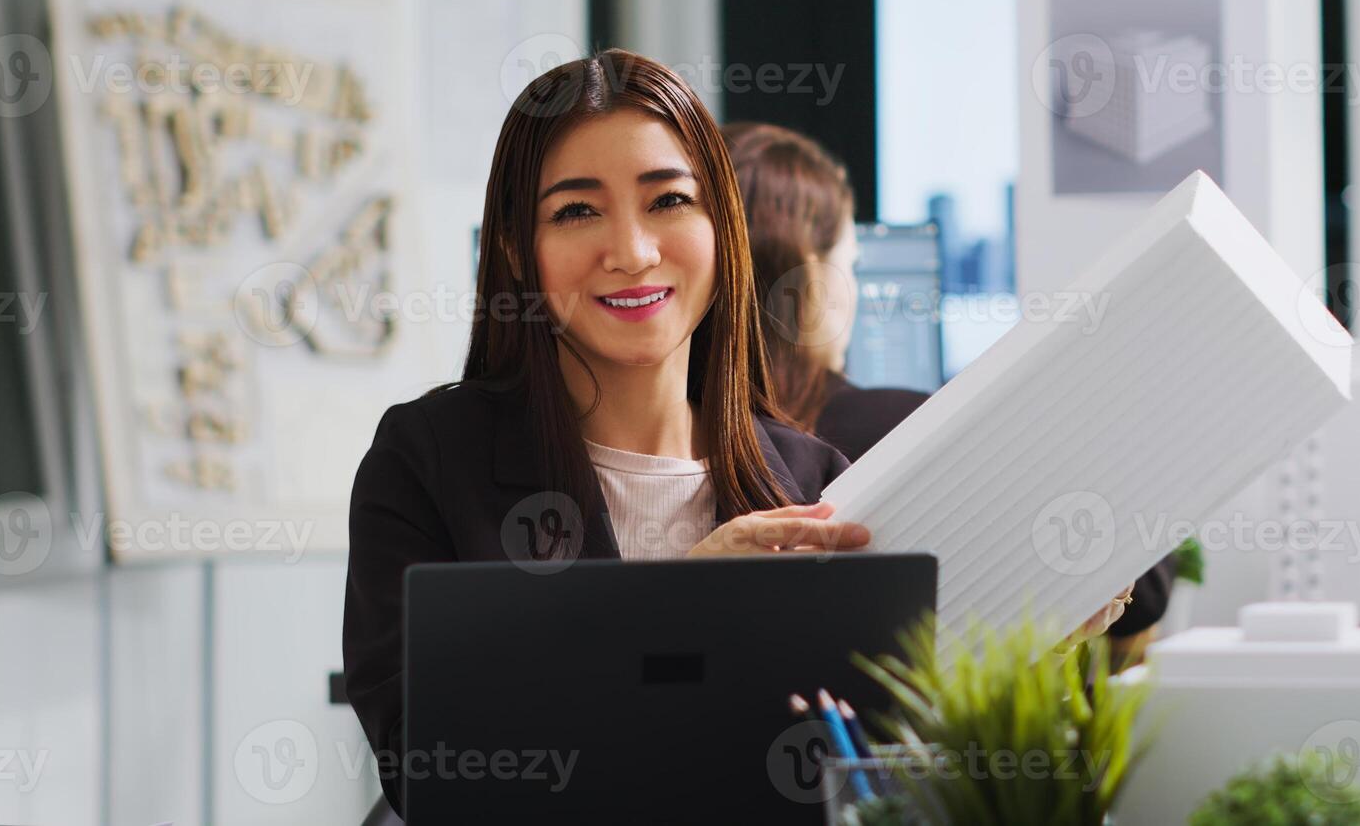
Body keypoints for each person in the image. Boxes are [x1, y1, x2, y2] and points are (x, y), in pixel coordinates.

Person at [343, 52, 871, 816]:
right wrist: (675, 609)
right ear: (520, 251)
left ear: (722, 227)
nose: (631, 251)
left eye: (668, 201)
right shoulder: (428, 460)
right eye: (577, 211)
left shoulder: (813, 482)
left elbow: (866, 770)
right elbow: (432, 774)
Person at [725, 121, 1175, 646]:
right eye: (850, 264)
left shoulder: (669, 442)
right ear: (807, 275)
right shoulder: (899, 427)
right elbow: (1148, 588)